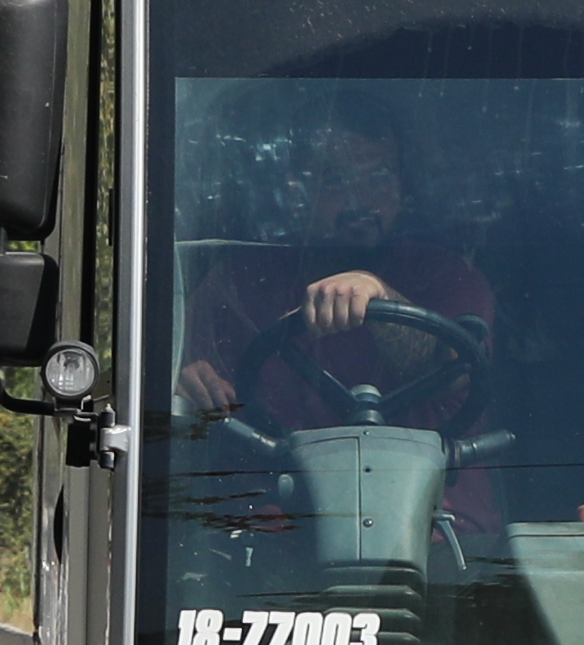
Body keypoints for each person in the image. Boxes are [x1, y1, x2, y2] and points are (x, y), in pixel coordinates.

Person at [174, 116, 497, 437]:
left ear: (402, 183)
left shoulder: (447, 274)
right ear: (296, 192)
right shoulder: (241, 279)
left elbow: (454, 371)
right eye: (335, 180)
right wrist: (187, 382)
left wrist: (379, 295)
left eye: (380, 177)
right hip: (279, 482)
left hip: (431, 483)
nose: (361, 200)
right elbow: (175, 372)